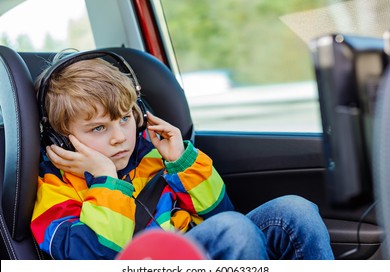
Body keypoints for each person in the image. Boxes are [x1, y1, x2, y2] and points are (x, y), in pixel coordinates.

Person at [30, 51, 334, 260]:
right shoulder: (55, 190)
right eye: (98, 128)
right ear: (60, 139)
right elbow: (95, 258)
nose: (119, 137)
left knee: (296, 211)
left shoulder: (150, 155)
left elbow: (219, 213)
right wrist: (106, 180)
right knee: (234, 229)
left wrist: (182, 162)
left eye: (124, 118)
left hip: (196, 251)